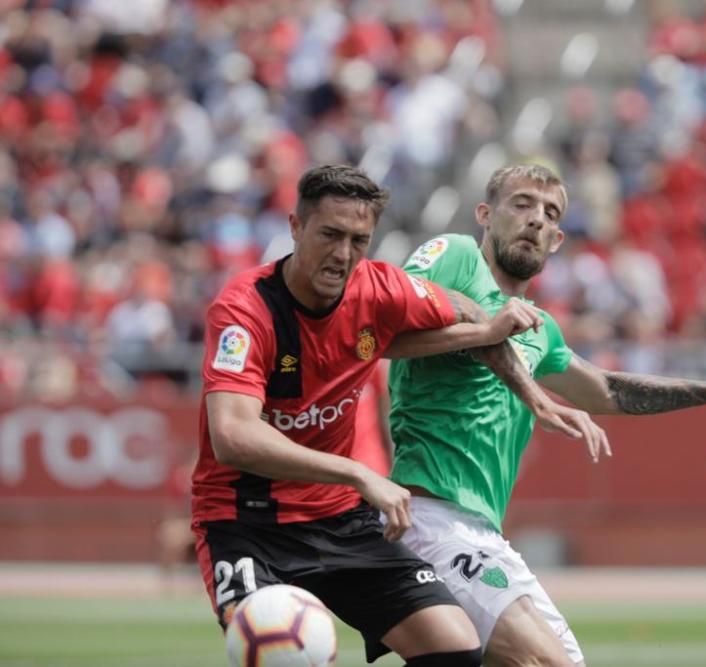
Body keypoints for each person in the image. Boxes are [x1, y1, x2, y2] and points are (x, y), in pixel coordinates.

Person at [387, 164, 706, 666]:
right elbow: (383, 322)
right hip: (429, 516)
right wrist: (485, 331)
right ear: (485, 214)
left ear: (558, 239)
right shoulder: (456, 256)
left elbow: (607, 389)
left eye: (550, 213)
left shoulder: (540, 329)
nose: (536, 220)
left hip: (484, 532)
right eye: (521, 204)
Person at [191, 164, 605, 667]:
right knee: (283, 654)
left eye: (359, 240)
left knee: (455, 645)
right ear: (296, 228)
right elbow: (233, 435)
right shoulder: (244, 310)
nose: (343, 255)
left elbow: (473, 313)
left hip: (337, 519)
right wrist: (358, 472)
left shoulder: (379, 288)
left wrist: (531, 394)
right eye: (330, 235)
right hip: (245, 523)